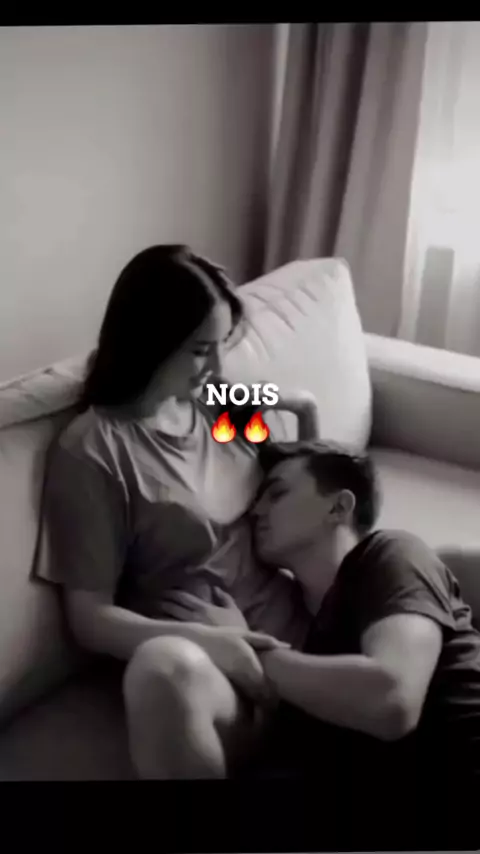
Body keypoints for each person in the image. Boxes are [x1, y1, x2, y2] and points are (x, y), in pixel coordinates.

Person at [37, 244, 319, 780]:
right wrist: (216, 644)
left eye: (221, 347)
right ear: (151, 342)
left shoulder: (214, 402)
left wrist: (303, 409)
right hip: (216, 666)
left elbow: (299, 445)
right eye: (199, 351)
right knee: (161, 670)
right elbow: (89, 618)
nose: (215, 367)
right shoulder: (94, 450)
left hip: (306, 634)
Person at [173, 440, 480, 845]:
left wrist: (242, 650)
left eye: (277, 494)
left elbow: (392, 699)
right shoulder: (299, 630)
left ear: (338, 507)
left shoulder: (392, 555)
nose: (255, 510)